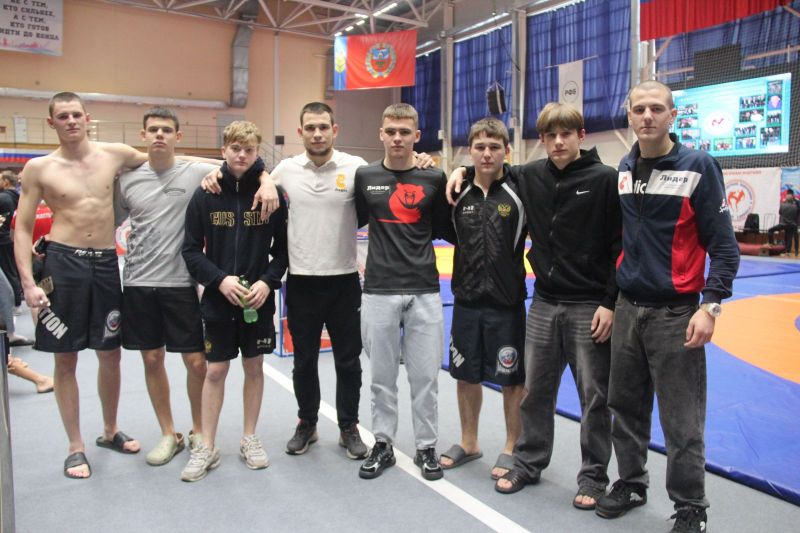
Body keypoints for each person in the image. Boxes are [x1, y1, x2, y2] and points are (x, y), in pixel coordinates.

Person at [448, 104, 622, 509]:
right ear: (541, 140)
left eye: (566, 134)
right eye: (550, 136)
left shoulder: (604, 179)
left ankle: (593, 476)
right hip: (544, 300)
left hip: (588, 304)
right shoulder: (529, 176)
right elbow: (488, 166)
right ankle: (528, 462)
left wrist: (610, 301)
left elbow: (620, 245)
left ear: (581, 135)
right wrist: (459, 170)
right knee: (536, 391)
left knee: (593, 396)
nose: (558, 142)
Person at [595, 80, 740, 533]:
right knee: (624, 407)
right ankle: (631, 482)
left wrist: (710, 305)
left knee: (681, 419)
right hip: (627, 308)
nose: (647, 116)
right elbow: (621, 243)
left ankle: (691, 505)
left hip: (676, 314)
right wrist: (611, 302)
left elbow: (724, 247)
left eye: (656, 108)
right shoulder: (624, 167)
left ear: (673, 115)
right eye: (639, 108)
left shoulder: (698, 166)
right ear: (629, 115)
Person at [13, 92, 149, 479]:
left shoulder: (115, 154)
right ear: (51, 122)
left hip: (105, 263)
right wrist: (28, 283)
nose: (71, 121)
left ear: (87, 118)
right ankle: (75, 446)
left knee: (111, 353)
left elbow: (167, 159)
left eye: (76, 114)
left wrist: (248, 170)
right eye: (63, 116)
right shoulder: (39, 168)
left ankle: (109, 430)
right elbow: (22, 228)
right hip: (63, 264)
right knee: (65, 357)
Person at [180, 121, 288, 482]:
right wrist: (219, 279)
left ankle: (249, 437)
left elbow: (283, 251)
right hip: (219, 299)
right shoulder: (206, 194)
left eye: (249, 149)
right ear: (223, 150)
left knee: (254, 367)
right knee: (215, 371)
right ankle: (207, 445)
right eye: (235, 148)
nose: (242, 155)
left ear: (257, 152)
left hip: (258, 299)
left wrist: (267, 283)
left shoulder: (271, 195)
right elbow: (190, 250)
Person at [114, 107, 222, 466]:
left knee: (196, 363)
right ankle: (167, 433)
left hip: (180, 283)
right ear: (143, 136)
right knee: (151, 358)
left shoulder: (196, 172)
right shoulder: (127, 179)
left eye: (166, 130)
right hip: (138, 282)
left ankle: (198, 430)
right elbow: (107, 219)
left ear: (178, 136)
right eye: (153, 129)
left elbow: (242, 166)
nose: (159, 134)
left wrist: (265, 181)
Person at [355, 103, 452, 481]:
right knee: (381, 378)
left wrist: (456, 172)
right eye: (391, 131)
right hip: (378, 289)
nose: (397, 138)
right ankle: (382, 444)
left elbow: (446, 227)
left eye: (404, 132)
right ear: (381, 134)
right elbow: (352, 217)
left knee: (425, 378)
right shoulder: (365, 176)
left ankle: (426, 446)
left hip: (424, 289)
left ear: (417, 136)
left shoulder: (434, 177)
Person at [271, 102, 368, 459]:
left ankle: (348, 426)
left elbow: (390, 177)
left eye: (323, 127)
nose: (317, 134)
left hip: (343, 281)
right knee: (304, 361)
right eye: (310, 128)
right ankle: (307, 423)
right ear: (300, 132)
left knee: (348, 361)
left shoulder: (355, 167)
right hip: (301, 281)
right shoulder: (285, 169)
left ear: (334, 130)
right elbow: (249, 176)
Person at [438, 118, 525, 482]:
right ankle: (469, 441)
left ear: (507, 150)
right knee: (465, 373)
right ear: (469, 151)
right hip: (467, 301)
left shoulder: (521, 188)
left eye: (494, 147)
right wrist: (459, 172)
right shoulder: (457, 193)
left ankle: (512, 446)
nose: (487, 154)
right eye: (479, 147)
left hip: (507, 304)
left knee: (512, 378)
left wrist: (461, 169)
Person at [0, 171, 23, 310]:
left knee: (8, 271)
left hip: (3, 239)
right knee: (12, 270)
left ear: (6, 182)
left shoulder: (3, 198)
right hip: (12, 237)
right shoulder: (18, 197)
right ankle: (16, 300)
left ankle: (15, 303)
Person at [767, 189, 799, 256]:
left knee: (770, 230)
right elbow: (797, 213)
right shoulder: (795, 206)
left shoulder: (783, 204)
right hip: (792, 223)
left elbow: (780, 213)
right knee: (789, 237)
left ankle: (771, 244)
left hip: (785, 223)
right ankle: (788, 251)